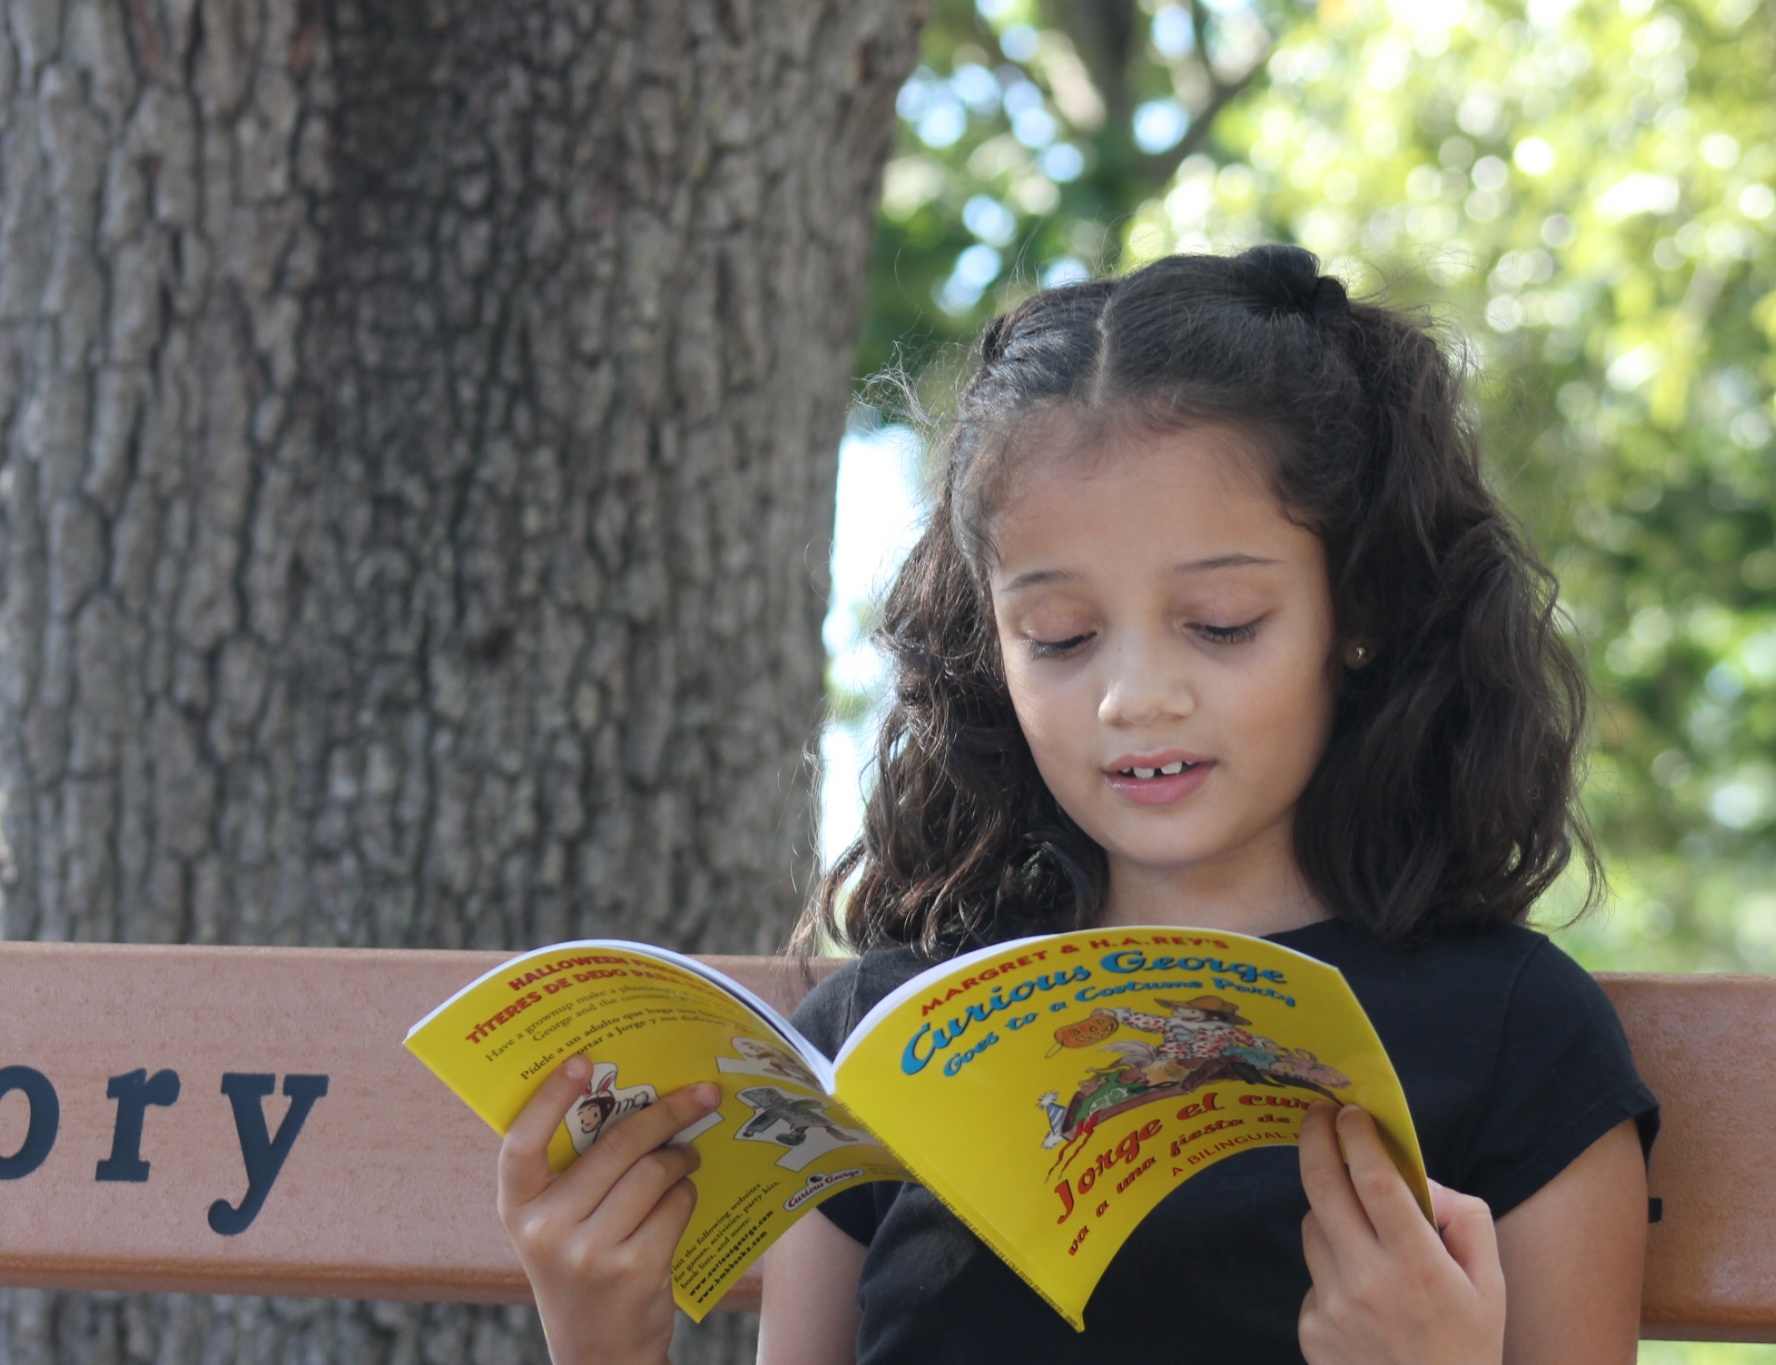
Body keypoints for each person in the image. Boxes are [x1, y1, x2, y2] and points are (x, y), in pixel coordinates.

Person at [494, 245, 1660, 1365]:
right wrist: (605, 1345)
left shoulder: (1512, 1039)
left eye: (1219, 625)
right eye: (1057, 638)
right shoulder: (884, 1044)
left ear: (1356, 611)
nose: (1132, 699)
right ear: (987, 646)